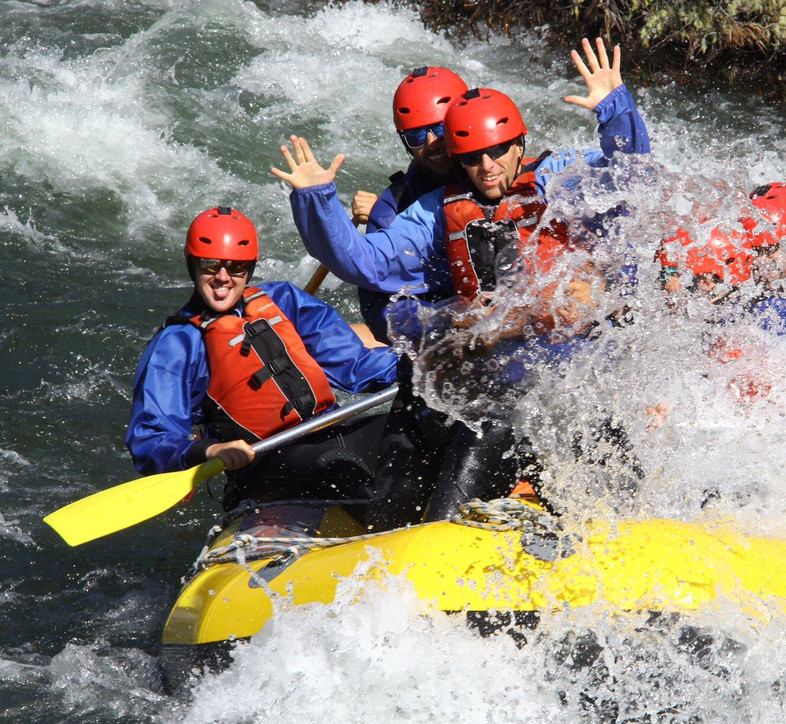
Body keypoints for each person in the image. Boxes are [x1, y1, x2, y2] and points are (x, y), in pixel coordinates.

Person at [272, 37, 650, 517]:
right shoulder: (431, 210)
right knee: (411, 461)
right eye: (471, 156)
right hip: (480, 368)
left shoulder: (557, 177)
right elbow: (364, 264)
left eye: (495, 152)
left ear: (519, 144)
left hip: (563, 371)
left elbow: (630, 179)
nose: (485, 167)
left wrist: (614, 110)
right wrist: (317, 200)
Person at [126, 206, 418, 521]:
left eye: (236, 267)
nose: (223, 278)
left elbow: (357, 365)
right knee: (338, 461)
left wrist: (424, 367)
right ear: (192, 265)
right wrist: (209, 451)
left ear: (250, 268)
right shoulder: (178, 343)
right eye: (211, 266)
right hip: (260, 465)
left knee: (419, 420)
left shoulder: (284, 300)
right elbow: (150, 438)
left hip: (327, 434)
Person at [349, 66, 469, 341]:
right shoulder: (392, 208)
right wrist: (444, 321)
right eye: (416, 135)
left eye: (439, 129)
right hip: (446, 336)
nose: (431, 143)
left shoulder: (495, 168)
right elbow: (378, 310)